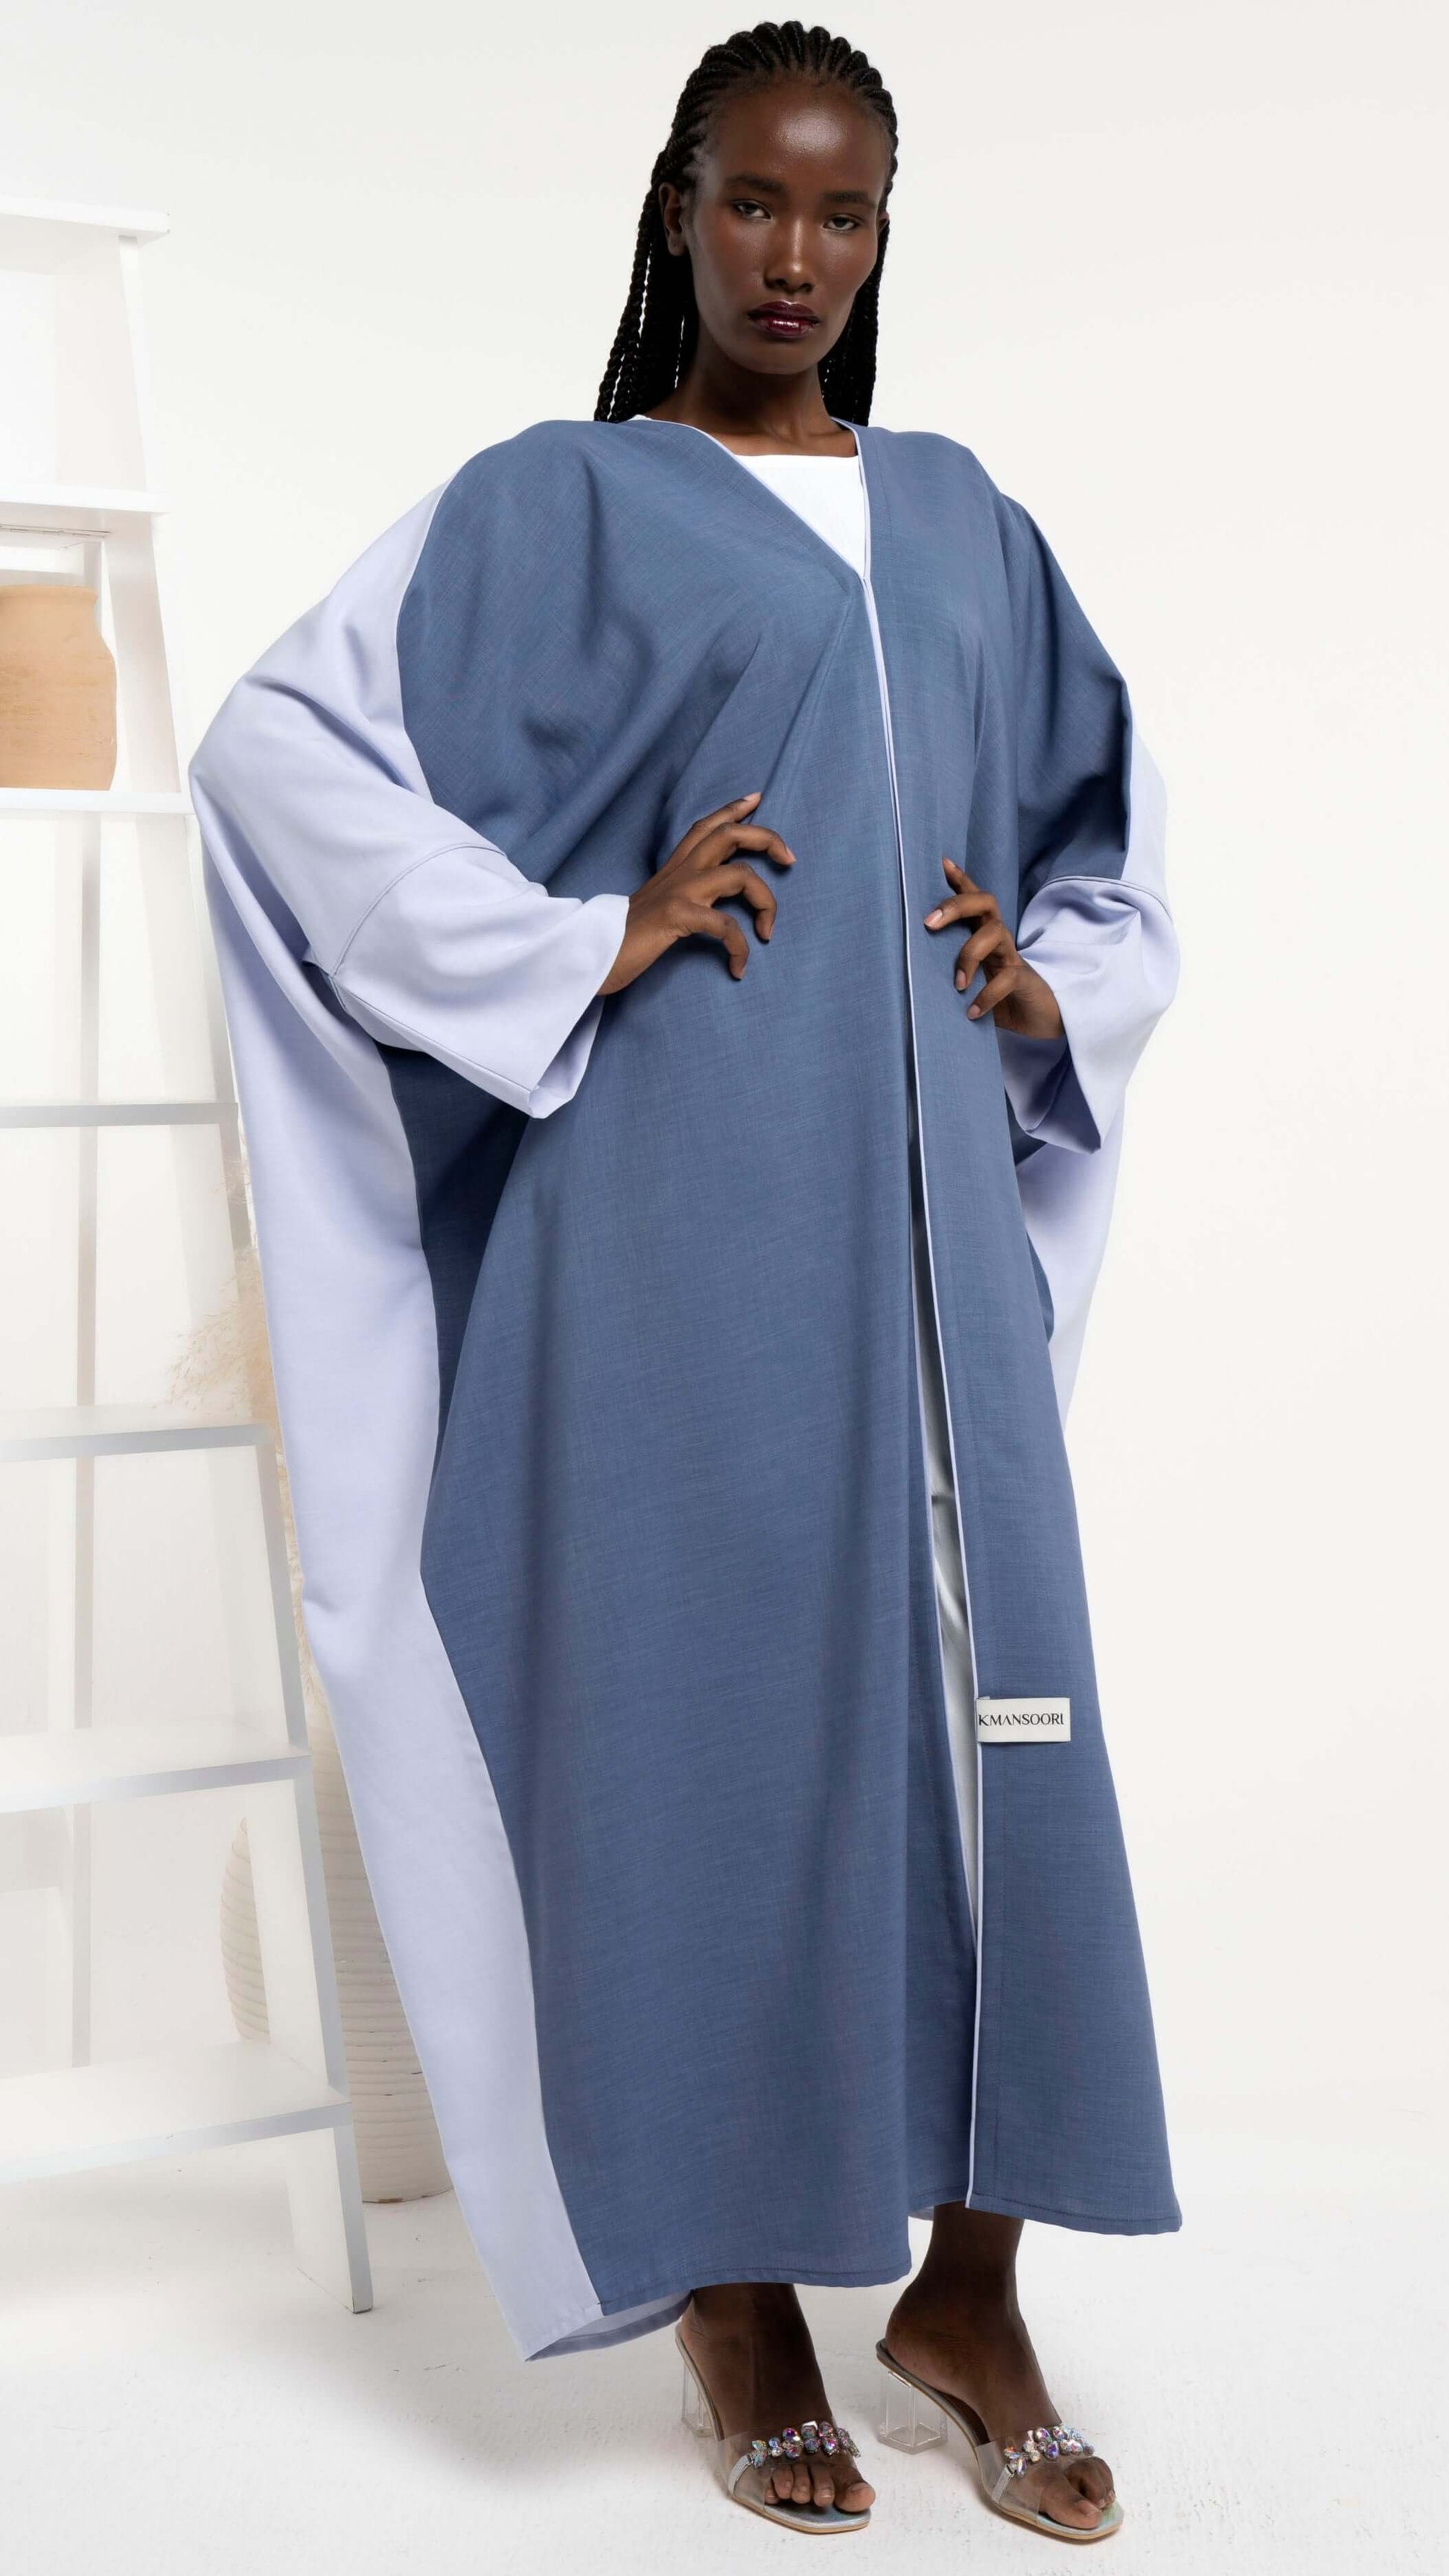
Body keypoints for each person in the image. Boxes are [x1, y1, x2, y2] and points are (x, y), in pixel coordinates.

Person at [191, 18, 1180, 2542]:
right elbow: (275, 755)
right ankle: (735, 2296)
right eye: (752, 199)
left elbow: (1102, 844)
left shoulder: (961, 520)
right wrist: (572, 940)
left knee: (999, 1725)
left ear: (882, 237)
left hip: (934, 1250)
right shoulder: (558, 502)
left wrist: (1043, 984)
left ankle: (970, 2284)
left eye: (841, 212)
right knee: (715, 1727)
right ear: (675, 209)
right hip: (671, 1236)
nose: (793, 253)